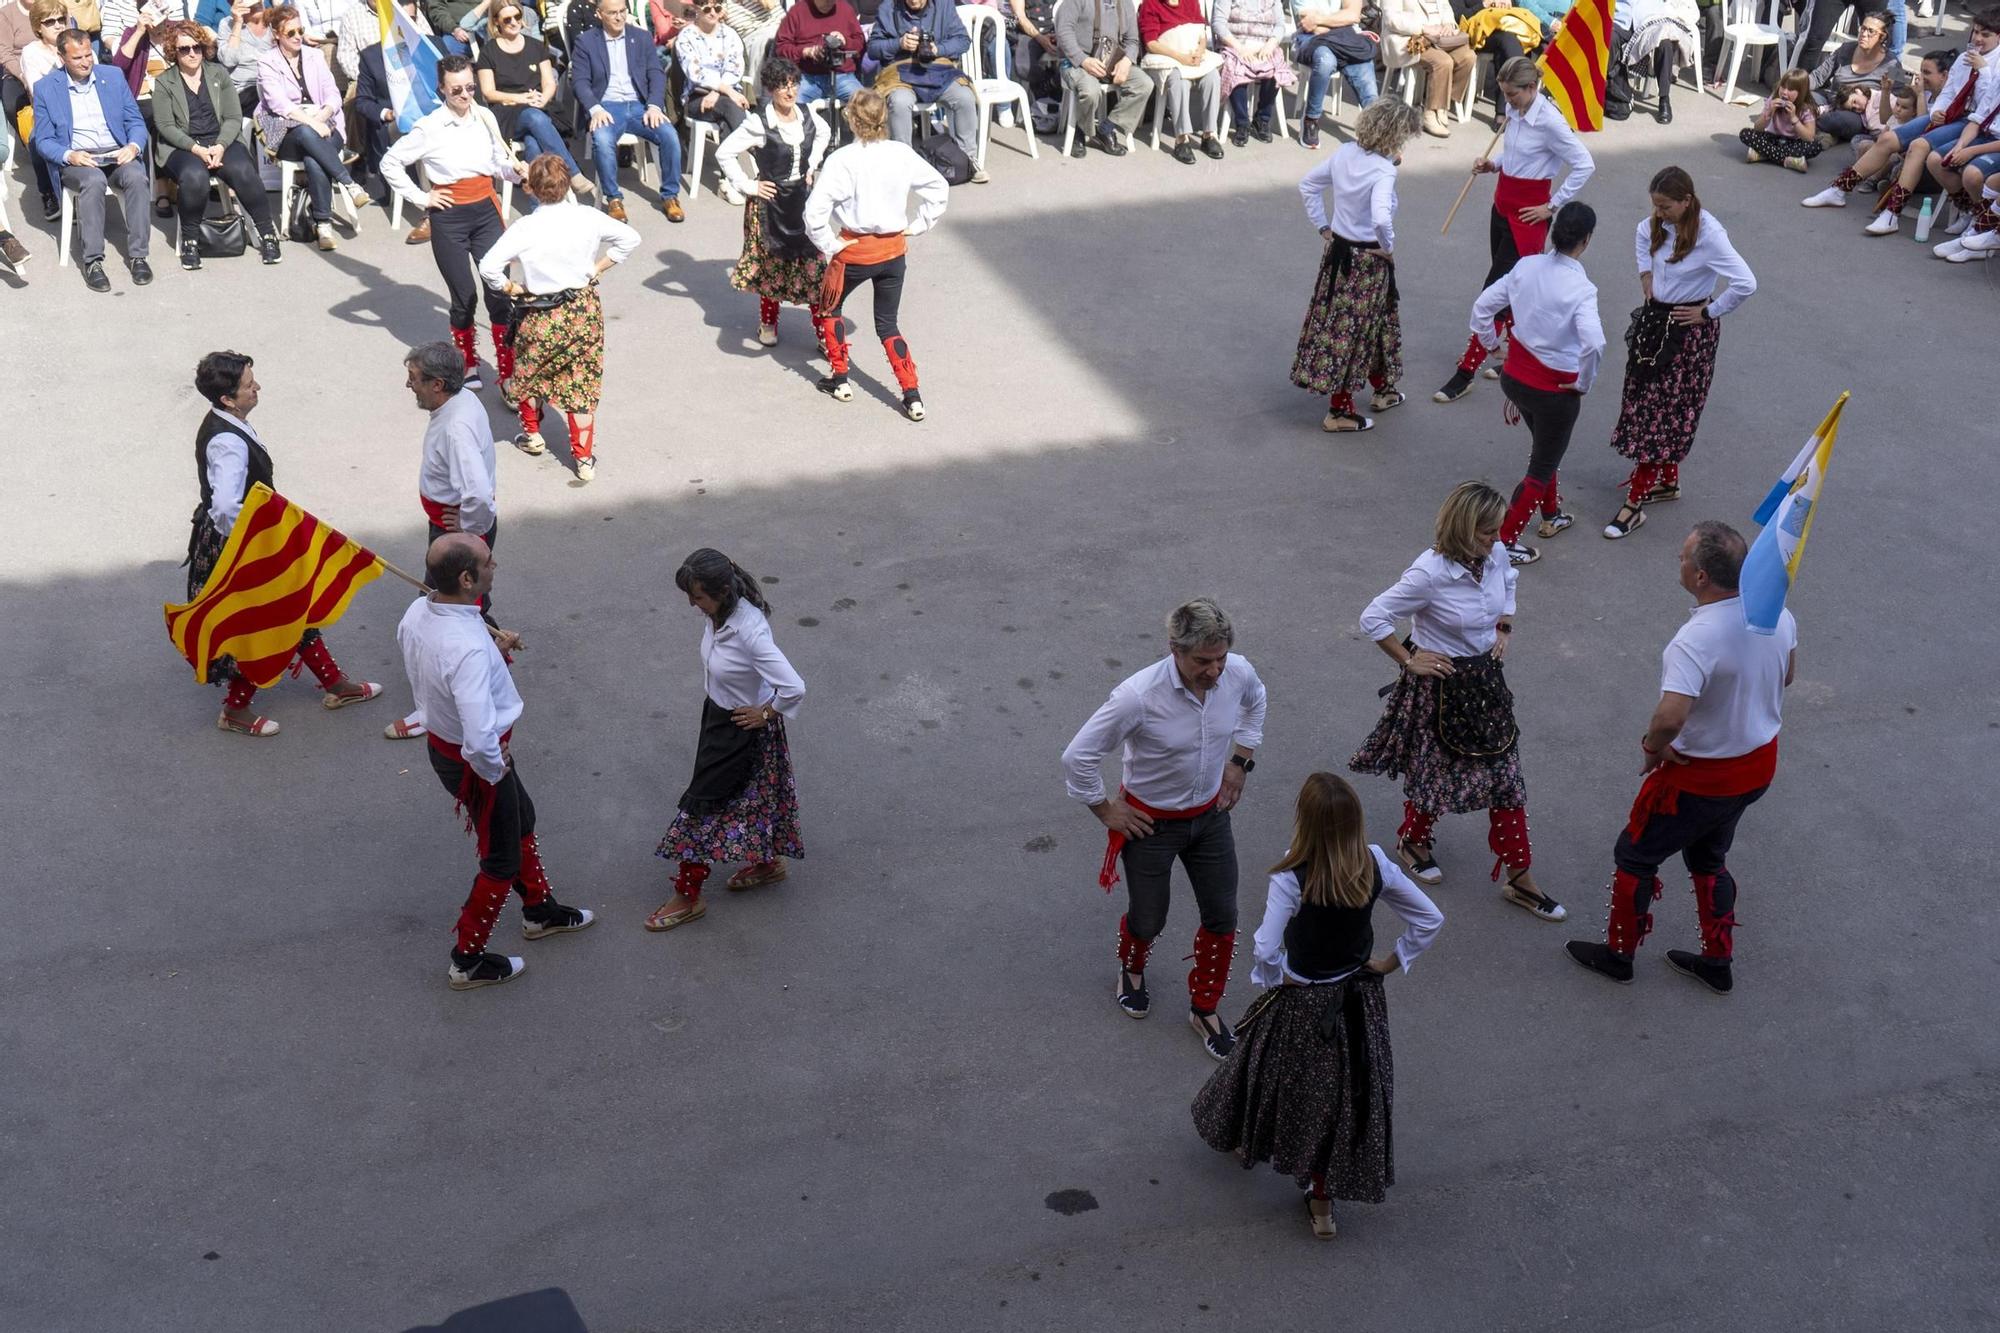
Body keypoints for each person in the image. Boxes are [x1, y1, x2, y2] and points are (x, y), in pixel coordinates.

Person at [1189, 772, 1441, 1241]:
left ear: (1303, 822)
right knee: (1345, 1097)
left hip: (1304, 1001)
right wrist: (1390, 961)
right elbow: (1429, 917)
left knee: (1267, 1068)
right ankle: (1322, 1205)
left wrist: (1276, 977)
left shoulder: (1292, 876)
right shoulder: (1376, 864)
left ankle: (1242, 1131)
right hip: (1358, 1000)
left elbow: (1265, 947)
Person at [1566, 522, 1795, 994]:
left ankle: (1619, 954)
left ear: (1702, 578)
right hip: (1754, 768)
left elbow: (1670, 717)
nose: (1679, 559)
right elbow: (1787, 675)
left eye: (1684, 556)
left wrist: (1652, 748)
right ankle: (1717, 960)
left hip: (1701, 779)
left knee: (1635, 854)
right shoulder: (1778, 613)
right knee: (1709, 858)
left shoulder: (1696, 639)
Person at [1060, 598, 1268, 1061]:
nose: (1215, 670)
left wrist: (1239, 762)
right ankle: (1131, 970)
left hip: (1211, 819)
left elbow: (1256, 703)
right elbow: (1078, 756)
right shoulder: (1138, 695)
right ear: (1174, 649)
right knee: (1149, 917)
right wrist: (1106, 810)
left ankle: (1205, 1007)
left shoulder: (1237, 672)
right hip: (1149, 826)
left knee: (1223, 916)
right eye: (1203, 661)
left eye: (1221, 658)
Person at [1349, 481, 1567, 922]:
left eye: (1497, 531)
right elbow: (1373, 616)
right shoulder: (1428, 573)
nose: (1497, 539)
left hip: (1485, 683)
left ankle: (1520, 877)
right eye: (1488, 532)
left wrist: (1504, 625)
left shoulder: (1494, 553)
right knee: (1437, 775)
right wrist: (1410, 658)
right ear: (1465, 529)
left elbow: (1508, 579)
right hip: (1440, 688)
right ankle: (1413, 841)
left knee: (1507, 777)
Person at [400, 532, 595, 992]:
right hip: (479, 761)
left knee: (521, 817)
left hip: (449, 749)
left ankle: (539, 910)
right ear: (467, 579)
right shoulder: (465, 646)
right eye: (488, 562)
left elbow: (441, 675)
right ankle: (467, 960)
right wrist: (494, 769)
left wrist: (496, 652)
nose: (495, 566)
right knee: (500, 858)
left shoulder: (418, 613)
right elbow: (480, 730)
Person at [184, 350, 384, 737]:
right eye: (248, 385)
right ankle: (236, 710)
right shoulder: (228, 442)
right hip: (241, 547)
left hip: (240, 540)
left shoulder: (225, 422)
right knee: (264, 624)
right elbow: (226, 506)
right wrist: (256, 543)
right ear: (227, 398)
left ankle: (334, 684)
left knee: (292, 609)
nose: (256, 387)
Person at [646, 548, 807, 932]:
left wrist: (766, 713)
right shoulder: (720, 614)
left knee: (701, 808)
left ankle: (688, 896)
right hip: (719, 716)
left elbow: (794, 687)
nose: (692, 603)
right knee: (751, 800)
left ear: (721, 591)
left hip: (741, 727)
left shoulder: (749, 630)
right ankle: (768, 863)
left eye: (698, 596)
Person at [1604, 167, 1756, 541]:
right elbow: (1642, 236)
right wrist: (1645, 276)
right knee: (1649, 404)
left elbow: (1746, 282)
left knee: (1661, 414)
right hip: (1655, 324)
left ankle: (1634, 503)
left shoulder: (1711, 236)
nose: (1658, 213)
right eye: (1655, 205)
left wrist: (1708, 311)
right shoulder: (1653, 225)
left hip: (1688, 333)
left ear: (1686, 201)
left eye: (1665, 206)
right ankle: (1668, 482)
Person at [1433, 56, 1593, 405]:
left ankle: (1466, 372)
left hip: (1528, 217)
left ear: (1532, 88)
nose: (1508, 102)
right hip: (1502, 204)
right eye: (1504, 94)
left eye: (1513, 95)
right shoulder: (1516, 112)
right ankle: (1514, 357)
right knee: (1512, 292)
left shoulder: (1550, 122)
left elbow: (1584, 164)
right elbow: (1517, 155)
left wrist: (1552, 205)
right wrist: (1494, 164)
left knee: (1493, 293)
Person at [478, 153, 640, 482]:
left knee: (529, 370)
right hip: (581, 309)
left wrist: (510, 287)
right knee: (581, 382)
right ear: (567, 184)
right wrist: (597, 268)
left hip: (538, 310)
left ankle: (533, 435)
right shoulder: (588, 218)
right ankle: (583, 459)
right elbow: (630, 238)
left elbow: (487, 266)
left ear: (532, 189)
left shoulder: (526, 226)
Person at [803, 88, 948, 421]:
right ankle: (912, 395)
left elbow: (814, 213)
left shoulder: (842, 160)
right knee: (888, 324)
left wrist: (829, 242)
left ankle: (840, 378)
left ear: (853, 120)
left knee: (829, 307)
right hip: (893, 250)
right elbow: (938, 189)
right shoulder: (901, 153)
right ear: (884, 118)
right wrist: (918, 224)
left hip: (854, 250)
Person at [383, 56, 526, 392]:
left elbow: (498, 163)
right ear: (442, 90)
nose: (465, 95)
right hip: (449, 217)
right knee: (463, 296)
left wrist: (515, 173)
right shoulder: (429, 127)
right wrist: (422, 198)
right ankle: (468, 361)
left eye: (471, 88)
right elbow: (390, 162)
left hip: (486, 210)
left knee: (499, 292)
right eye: (457, 89)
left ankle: (507, 370)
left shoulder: (484, 116)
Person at [1471, 201, 1603, 565]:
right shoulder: (1582, 288)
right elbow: (1594, 343)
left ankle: (1551, 514)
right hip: (1554, 391)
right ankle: (1504, 542)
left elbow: (1482, 308)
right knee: (1542, 463)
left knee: (1545, 448)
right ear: (1586, 241)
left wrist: (1492, 346)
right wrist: (1583, 383)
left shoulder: (1526, 267)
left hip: (1515, 378)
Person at [386, 341, 505, 741]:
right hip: (457, 533)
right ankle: (497, 656)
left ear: (438, 384)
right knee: (464, 606)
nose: (409, 385)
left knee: (442, 611)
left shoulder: (454, 426)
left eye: (415, 378)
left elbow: (477, 493)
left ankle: (436, 708)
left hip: (456, 537)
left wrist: (464, 532)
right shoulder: (460, 403)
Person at [1800, 11, 2000, 235]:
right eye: (1975, 32)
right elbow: (1950, 91)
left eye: (1986, 35)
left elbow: (1988, 106)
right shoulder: (1966, 56)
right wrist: (1939, 110)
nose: (1978, 38)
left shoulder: (1994, 64)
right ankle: (1839, 189)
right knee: (1887, 138)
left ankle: (1893, 213)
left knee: (1919, 146)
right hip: (1951, 115)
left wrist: (1983, 70)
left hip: (1973, 122)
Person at [1291, 97, 1421, 434]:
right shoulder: (1383, 171)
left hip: (1338, 252)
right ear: (1394, 136)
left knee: (1374, 323)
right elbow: (1380, 216)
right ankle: (1339, 411)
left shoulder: (1346, 152)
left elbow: (1309, 184)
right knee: (1351, 332)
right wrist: (1387, 247)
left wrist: (1323, 226)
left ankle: (1383, 387)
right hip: (1367, 261)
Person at [150, 20, 283, 269]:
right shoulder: (165, 82)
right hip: (184, 146)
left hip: (221, 140)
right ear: (173, 52)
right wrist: (197, 149)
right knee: (193, 176)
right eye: (184, 49)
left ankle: (267, 234)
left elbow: (233, 117)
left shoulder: (218, 73)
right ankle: (190, 240)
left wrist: (221, 145)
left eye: (197, 47)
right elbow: (166, 126)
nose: (192, 53)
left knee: (244, 171)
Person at [719, 54, 831, 348]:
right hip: (770, 205)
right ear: (770, 89)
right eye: (783, 86)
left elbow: (824, 133)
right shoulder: (758, 123)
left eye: (793, 84)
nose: (790, 91)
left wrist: (812, 165)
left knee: (815, 267)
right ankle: (768, 323)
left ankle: (823, 333)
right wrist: (748, 185)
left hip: (802, 201)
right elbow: (724, 153)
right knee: (771, 266)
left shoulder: (807, 114)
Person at [31, 29, 152, 290]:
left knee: (136, 177)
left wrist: (133, 146)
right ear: (62, 57)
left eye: (89, 54)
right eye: (78, 58)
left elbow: (135, 121)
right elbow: (42, 140)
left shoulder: (113, 76)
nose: (86, 62)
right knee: (94, 181)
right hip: (80, 160)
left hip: (116, 153)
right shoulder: (46, 88)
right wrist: (69, 155)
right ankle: (93, 261)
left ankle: (139, 255)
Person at [256, 5, 371, 251]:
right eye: (291, 33)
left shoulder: (314, 56)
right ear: (277, 34)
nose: (298, 36)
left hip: (325, 123)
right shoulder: (267, 62)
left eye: (300, 30)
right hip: (287, 130)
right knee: (306, 134)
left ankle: (323, 226)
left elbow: (332, 94)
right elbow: (279, 104)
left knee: (313, 157)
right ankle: (348, 184)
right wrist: (312, 122)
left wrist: (324, 115)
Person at [572, 0, 685, 223]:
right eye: (612, 13)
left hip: (640, 105)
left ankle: (670, 196)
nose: (618, 17)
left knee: (669, 135)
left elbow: (656, 73)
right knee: (602, 141)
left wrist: (654, 105)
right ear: (599, 14)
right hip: (607, 107)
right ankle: (614, 199)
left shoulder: (640, 37)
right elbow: (580, 82)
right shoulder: (586, 41)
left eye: (622, 12)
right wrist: (595, 109)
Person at [476, 0, 590, 205]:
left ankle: (537, 206)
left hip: (538, 106)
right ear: (496, 22)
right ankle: (573, 172)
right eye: (507, 19)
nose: (514, 22)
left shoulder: (536, 47)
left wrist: (543, 97)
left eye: (517, 17)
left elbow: (548, 82)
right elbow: (488, 93)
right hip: (507, 112)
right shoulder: (489, 52)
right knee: (533, 117)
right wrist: (520, 98)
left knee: (533, 140)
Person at [868, 0, 983, 174]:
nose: (914, 1)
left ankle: (967, 162)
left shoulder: (944, 4)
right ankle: (902, 166)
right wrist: (899, 43)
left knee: (965, 96)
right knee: (899, 102)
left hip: (938, 69)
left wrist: (938, 48)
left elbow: (963, 40)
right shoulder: (888, 7)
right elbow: (873, 49)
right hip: (901, 73)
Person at [1053, 0, 1148, 156]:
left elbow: (1132, 40)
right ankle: (1080, 130)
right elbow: (1064, 32)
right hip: (1076, 62)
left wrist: (1127, 61)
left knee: (1143, 84)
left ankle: (1106, 129)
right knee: (1090, 91)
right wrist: (1083, 60)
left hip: (1110, 61)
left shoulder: (1126, 3)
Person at [4, 0, 68, 222]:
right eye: (50, 22)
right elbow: (39, 93)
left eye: (62, 20)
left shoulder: (75, 44)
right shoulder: (32, 52)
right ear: (38, 27)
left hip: (81, 108)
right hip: (47, 109)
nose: (58, 25)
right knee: (38, 138)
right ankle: (48, 192)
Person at [1138, 0, 1225, 162]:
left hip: (1191, 54)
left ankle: (1209, 135)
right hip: (1166, 57)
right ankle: (1181, 138)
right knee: (1179, 79)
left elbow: (1202, 34)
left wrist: (1199, 52)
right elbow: (1150, 43)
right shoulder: (1151, 4)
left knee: (1212, 76)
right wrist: (1180, 57)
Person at [1808, 10, 1904, 143]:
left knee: (1840, 120)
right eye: (1863, 28)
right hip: (1830, 101)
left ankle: (1803, 125)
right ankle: (1816, 128)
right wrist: (1795, 86)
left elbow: (1900, 98)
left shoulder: (1893, 64)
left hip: (1858, 115)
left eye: (1871, 31)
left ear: (1882, 37)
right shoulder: (1846, 49)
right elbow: (1818, 77)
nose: (1864, 34)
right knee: (1803, 98)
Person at [1293, 0, 1379, 148]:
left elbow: (1353, 15)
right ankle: (1311, 119)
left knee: (1365, 70)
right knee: (1325, 61)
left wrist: (1319, 20)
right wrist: (1342, 21)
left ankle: (1378, 131)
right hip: (1314, 38)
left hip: (1348, 39)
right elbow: (1309, 25)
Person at [1383, 0, 1473, 138]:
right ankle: (1430, 113)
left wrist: (1448, 24)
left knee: (1468, 56)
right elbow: (1391, 19)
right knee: (1443, 62)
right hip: (1412, 39)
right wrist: (1423, 28)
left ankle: (1444, 103)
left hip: (1439, 38)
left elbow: (1445, 6)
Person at [680, 0, 752, 169]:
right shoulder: (686, 36)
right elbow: (695, 72)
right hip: (697, 97)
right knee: (731, 106)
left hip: (727, 95)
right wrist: (727, 91)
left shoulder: (730, 34)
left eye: (717, 8)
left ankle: (726, 181)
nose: (713, 13)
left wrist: (718, 92)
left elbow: (734, 68)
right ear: (697, 8)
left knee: (728, 116)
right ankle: (758, 151)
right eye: (707, 8)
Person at [1212, 0, 1295, 146]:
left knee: (1277, 68)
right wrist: (1240, 48)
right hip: (1235, 44)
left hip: (1264, 45)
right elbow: (1218, 23)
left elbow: (1280, 24)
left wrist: (1270, 44)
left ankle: (1262, 119)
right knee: (1235, 69)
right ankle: (1242, 122)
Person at [1603, 0, 1697, 124]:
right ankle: (1594, 92)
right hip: (1621, 19)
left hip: (1649, 19)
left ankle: (1664, 99)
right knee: (1607, 38)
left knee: (1664, 43)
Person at [774, 0, 864, 110]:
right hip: (807, 76)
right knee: (791, 104)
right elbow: (781, 47)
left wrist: (845, 41)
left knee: (865, 102)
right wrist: (805, 52)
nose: (829, 3)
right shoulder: (797, 11)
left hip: (841, 75)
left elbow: (860, 42)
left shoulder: (845, 8)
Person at [1741, 68, 1822, 169]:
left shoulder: (1806, 108)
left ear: (1801, 92)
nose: (1784, 92)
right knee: (1745, 133)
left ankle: (1764, 154)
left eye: (1790, 90)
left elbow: (1809, 137)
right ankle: (1789, 160)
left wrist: (1794, 118)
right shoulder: (1773, 99)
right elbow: (1757, 128)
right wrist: (1769, 113)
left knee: (1816, 146)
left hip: (1793, 143)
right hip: (1772, 138)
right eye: (1783, 87)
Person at [215, 0, 275, 115]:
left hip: (273, 85)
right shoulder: (228, 24)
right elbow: (229, 60)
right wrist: (237, 23)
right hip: (244, 89)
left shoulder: (274, 21)